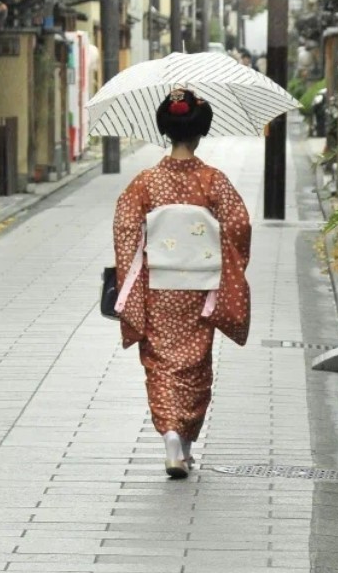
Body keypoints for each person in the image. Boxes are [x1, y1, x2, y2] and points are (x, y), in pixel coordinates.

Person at [112, 89, 252, 479]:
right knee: (194, 363)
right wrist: (218, 252)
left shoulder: (144, 183)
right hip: (200, 287)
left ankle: (170, 436)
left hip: (158, 286)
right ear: (201, 131)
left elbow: (125, 228)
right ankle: (186, 442)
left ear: (165, 129)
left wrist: (135, 267)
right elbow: (239, 226)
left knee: (160, 364)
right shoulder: (214, 181)